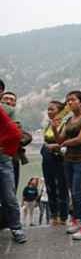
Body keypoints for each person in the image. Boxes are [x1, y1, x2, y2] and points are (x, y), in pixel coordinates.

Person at [52, 90, 81, 239]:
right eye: (67, 101)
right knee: (73, 193)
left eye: (72, 100)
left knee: (78, 193)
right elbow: (59, 140)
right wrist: (54, 127)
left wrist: (62, 144)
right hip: (68, 160)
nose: (69, 103)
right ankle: (78, 220)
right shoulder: (70, 119)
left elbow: (80, 139)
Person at [0, 103, 27, 243]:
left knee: (9, 197)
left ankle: (16, 228)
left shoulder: (7, 110)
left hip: (3, 160)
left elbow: (15, 132)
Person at [42, 100, 70, 226]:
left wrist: (54, 146)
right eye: (48, 109)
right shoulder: (48, 125)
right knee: (50, 187)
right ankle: (55, 216)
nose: (49, 112)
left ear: (60, 112)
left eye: (52, 109)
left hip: (60, 160)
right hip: (47, 160)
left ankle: (64, 217)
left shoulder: (65, 125)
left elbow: (68, 143)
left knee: (62, 188)